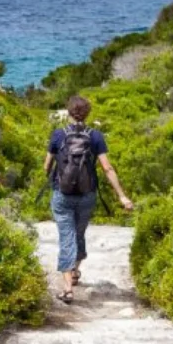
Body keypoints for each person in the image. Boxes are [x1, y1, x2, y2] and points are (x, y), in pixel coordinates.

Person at [43, 95, 133, 304]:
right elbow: (107, 168)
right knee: (79, 233)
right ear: (87, 113)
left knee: (67, 236)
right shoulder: (95, 136)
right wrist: (122, 196)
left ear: (68, 112)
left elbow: (46, 166)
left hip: (62, 195)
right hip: (87, 195)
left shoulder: (58, 135)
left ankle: (67, 288)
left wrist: (57, 174)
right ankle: (75, 271)